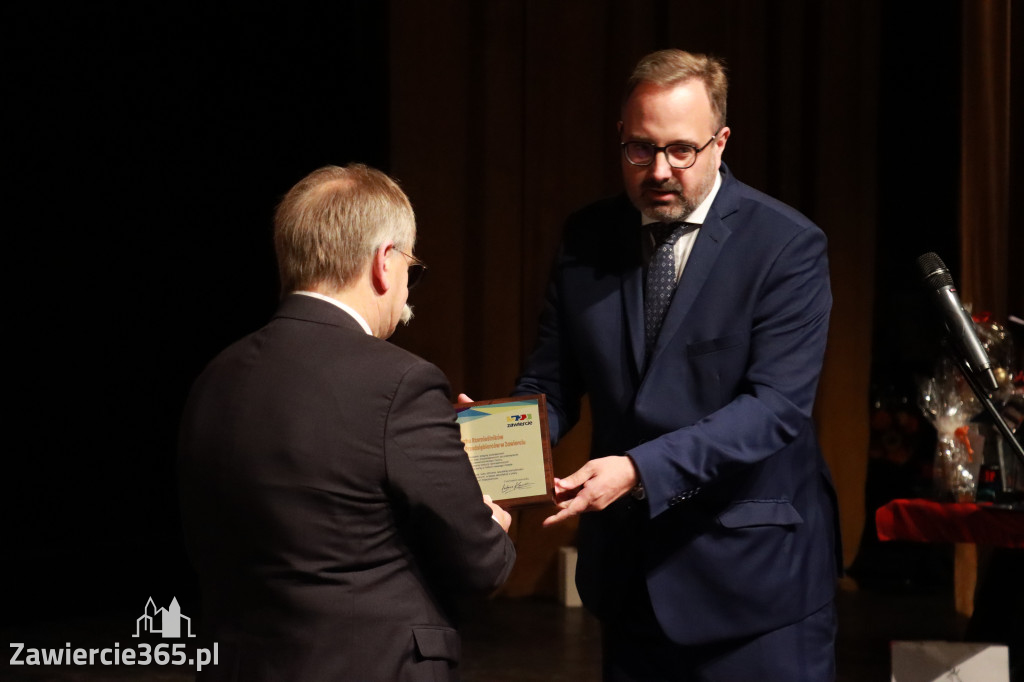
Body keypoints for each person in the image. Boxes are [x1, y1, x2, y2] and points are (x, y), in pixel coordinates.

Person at [514, 49, 841, 680]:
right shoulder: (586, 237)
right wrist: (501, 446)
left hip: (757, 589)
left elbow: (774, 409)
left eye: (681, 150)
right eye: (641, 149)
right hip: (630, 583)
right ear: (620, 137)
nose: (660, 170)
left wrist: (638, 470)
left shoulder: (786, 245)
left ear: (721, 142)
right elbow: (550, 381)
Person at [178, 164, 515, 682]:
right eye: (412, 271)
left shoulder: (214, 377)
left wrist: (426, 447)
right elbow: (481, 565)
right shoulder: (402, 383)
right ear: (385, 263)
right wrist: (490, 517)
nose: (407, 293)